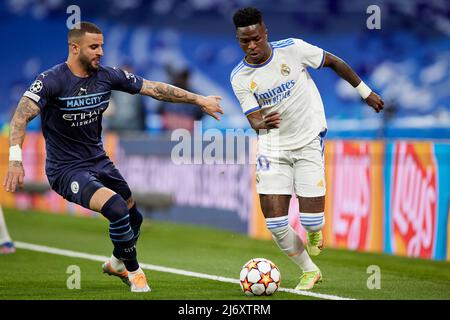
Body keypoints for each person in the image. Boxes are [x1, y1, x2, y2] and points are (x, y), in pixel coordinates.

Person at [3, 21, 223, 293]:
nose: (101, 52)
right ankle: (135, 273)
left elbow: (154, 88)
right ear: (74, 48)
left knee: (134, 218)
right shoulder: (51, 80)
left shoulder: (107, 76)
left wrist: (199, 100)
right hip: (65, 170)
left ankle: (118, 262)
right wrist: (15, 159)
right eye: (94, 47)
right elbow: (21, 116)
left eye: (102, 46)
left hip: (99, 161)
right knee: (116, 208)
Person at [230, 7, 384, 290]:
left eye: (256, 38)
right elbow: (253, 119)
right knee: (275, 224)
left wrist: (365, 92)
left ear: (265, 33)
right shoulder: (239, 77)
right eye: (244, 41)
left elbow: (335, 62)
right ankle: (309, 271)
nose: (251, 46)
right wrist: (262, 121)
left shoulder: (294, 49)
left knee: (312, 220)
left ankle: (314, 231)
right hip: (273, 148)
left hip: (308, 141)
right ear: (238, 40)